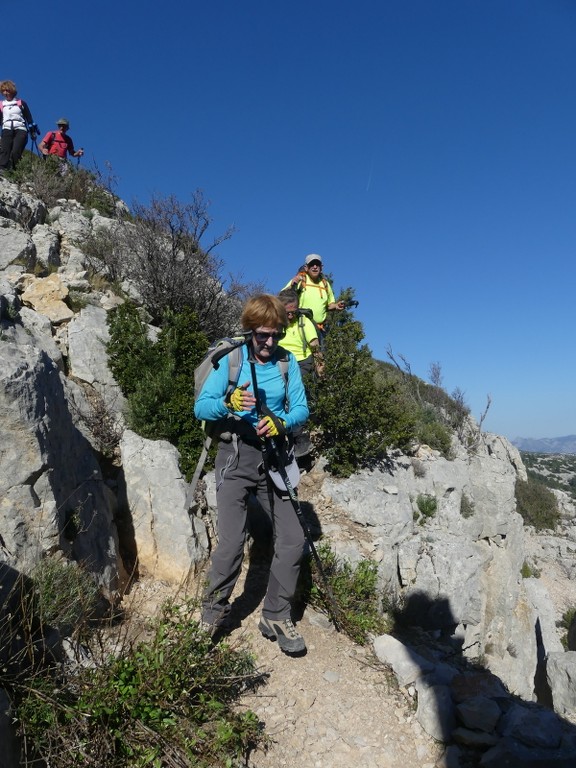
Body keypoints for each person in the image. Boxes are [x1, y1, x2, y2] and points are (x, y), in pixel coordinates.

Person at [194, 294, 310, 654]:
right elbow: (201, 406)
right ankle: (212, 615)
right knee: (231, 541)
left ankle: (275, 613)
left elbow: (302, 409)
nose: (269, 343)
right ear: (250, 330)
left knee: (293, 537)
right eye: (262, 335)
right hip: (235, 456)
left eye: (275, 334)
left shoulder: (286, 362)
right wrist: (227, 404)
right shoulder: (232, 360)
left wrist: (281, 421)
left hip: (274, 458)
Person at [277, 288, 324, 457]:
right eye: (287, 313)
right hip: (278, 362)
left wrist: (320, 366)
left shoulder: (304, 322)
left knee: (296, 397)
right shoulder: (274, 322)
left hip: (303, 362)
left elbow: (315, 345)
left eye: (293, 312)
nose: (290, 316)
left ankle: (299, 440)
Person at [283, 253, 345, 339]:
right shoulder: (300, 279)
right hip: (301, 327)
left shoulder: (325, 284)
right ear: (306, 267)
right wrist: (293, 285)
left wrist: (337, 306)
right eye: (312, 264)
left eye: (317, 264)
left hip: (319, 330)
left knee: (318, 352)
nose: (315, 267)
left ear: (321, 267)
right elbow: (283, 297)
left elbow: (330, 305)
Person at [0, 80, 38, 172]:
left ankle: (17, 170)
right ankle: (2, 168)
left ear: (12, 90)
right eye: (3, 91)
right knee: (5, 150)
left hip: (21, 129)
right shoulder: (1, 104)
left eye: (7, 90)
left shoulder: (21, 103)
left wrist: (33, 131)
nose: (5, 93)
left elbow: (29, 118)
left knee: (16, 151)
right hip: (6, 128)